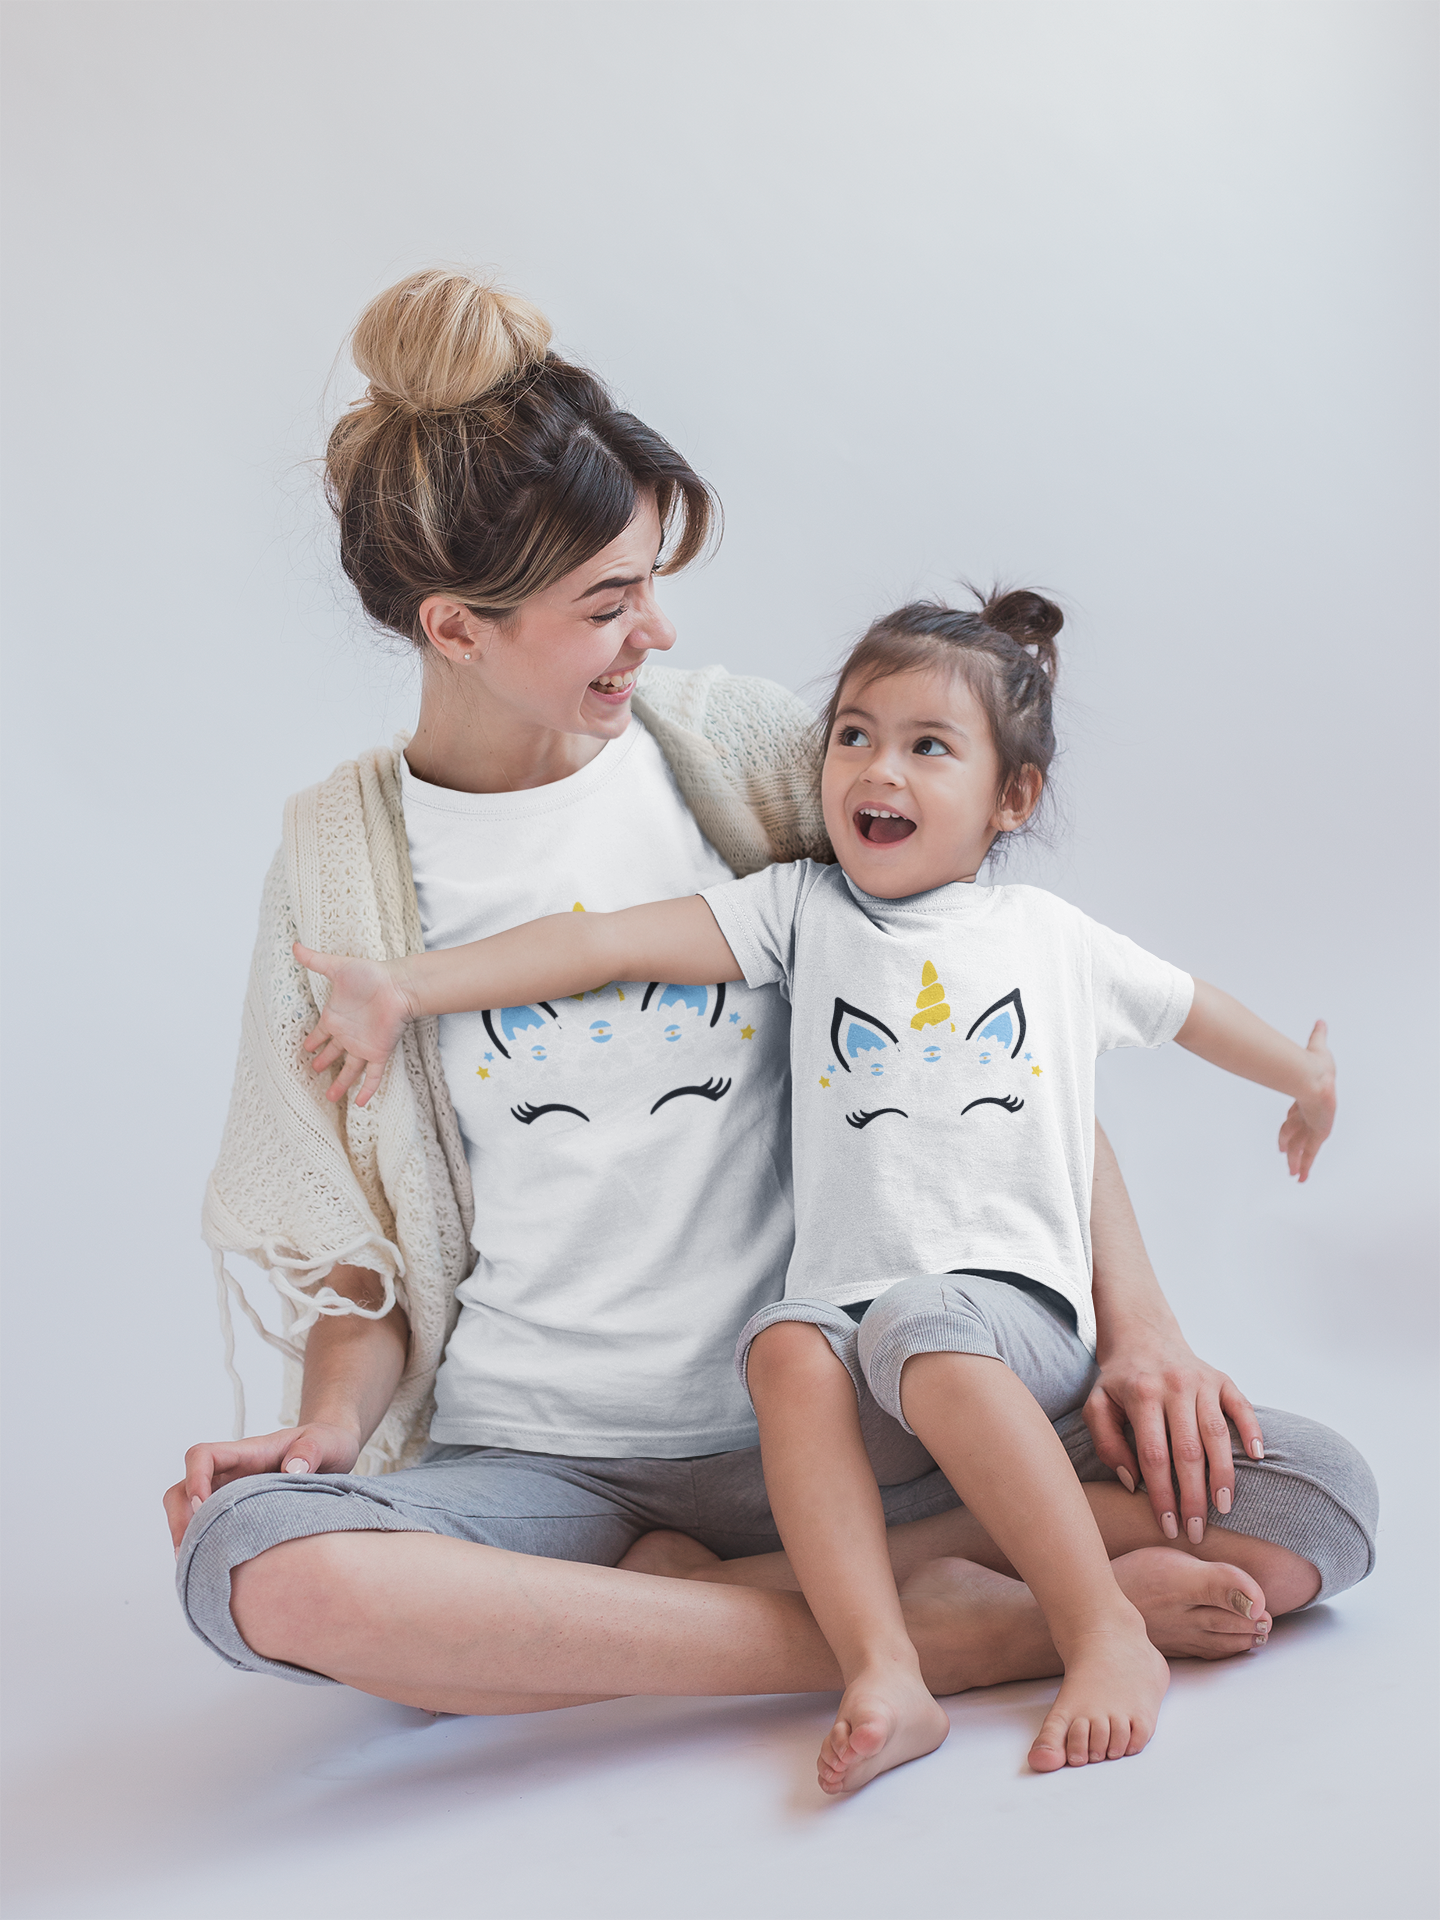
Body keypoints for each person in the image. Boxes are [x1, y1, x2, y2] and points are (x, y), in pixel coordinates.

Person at [168, 268, 1377, 1743]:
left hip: (846, 1410)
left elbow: (989, 1018)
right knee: (261, 1573)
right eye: (609, 603)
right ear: (457, 628)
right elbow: (351, 1246)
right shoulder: (337, 864)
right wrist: (331, 1431)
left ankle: (695, 1608)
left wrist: (1141, 1326)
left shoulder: (741, 753)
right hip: (546, 1460)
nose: (655, 633)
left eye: (653, 586)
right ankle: (921, 1631)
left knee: (1310, 1504)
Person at [292, 587, 1340, 1790]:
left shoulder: (1046, 935)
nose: (877, 768)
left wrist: (1303, 1078)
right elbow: (608, 946)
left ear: (1014, 800)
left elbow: (1197, 1013)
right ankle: (887, 1660)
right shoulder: (799, 909)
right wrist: (408, 988)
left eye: (927, 747)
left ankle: (1101, 1630)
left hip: (1009, 1322)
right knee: (785, 1348)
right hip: (855, 1330)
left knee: (946, 1332)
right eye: (854, 734)